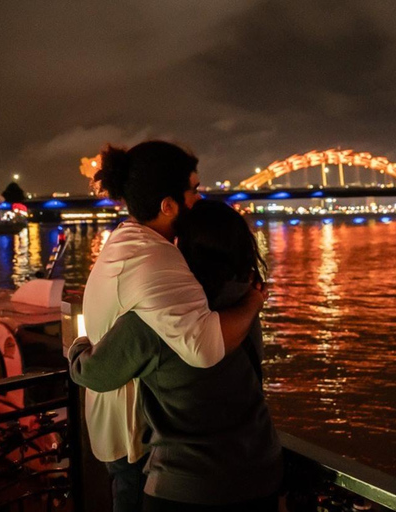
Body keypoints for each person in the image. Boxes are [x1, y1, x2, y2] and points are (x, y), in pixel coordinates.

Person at [81, 141, 265, 512]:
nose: (200, 198)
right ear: (168, 206)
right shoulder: (156, 259)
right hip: (137, 442)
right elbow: (204, 348)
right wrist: (252, 303)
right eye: (194, 190)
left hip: (131, 430)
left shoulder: (130, 241)